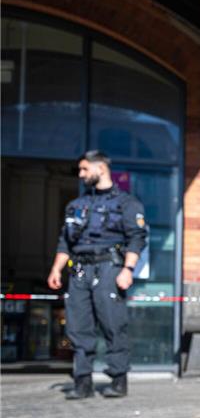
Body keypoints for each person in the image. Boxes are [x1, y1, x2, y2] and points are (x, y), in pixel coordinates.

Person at [47, 150, 148, 399]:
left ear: (100, 168)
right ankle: (82, 381)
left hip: (109, 267)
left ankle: (118, 378)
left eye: (84, 169)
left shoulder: (127, 203)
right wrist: (56, 268)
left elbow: (137, 238)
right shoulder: (77, 205)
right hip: (80, 268)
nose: (81, 175)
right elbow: (65, 242)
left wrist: (128, 270)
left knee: (113, 323)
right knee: (78, 326)